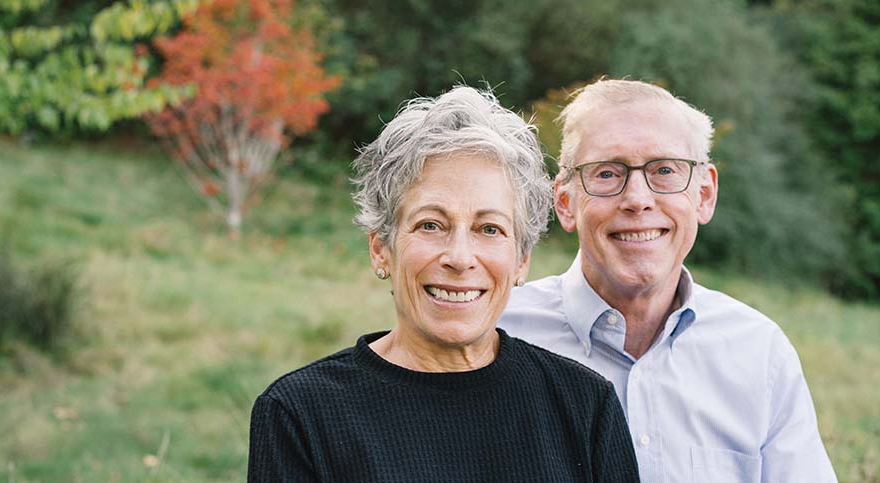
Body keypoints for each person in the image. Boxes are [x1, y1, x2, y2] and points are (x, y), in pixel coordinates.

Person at [247, 86, 640, 482]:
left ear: (521, 260)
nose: (460, 257)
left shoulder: (585, 404)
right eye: (430, 225)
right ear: (381, 247)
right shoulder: (300, 414)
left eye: (489, 228)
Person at [499, 78, 837, 483]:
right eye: (607, 173)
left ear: (705, 195)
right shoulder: (498, 336)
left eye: (664, 170)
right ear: (566, 202)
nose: (638, 199)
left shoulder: (760, 354)